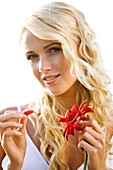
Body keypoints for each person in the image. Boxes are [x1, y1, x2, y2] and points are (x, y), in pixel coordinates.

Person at [0, 1, 113, 170]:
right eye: (32, 56)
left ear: (82, 49)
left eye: (54, 49)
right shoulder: (9, 125)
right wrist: (14, 166)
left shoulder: (109, 122)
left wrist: (100, 168)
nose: (42, 67)